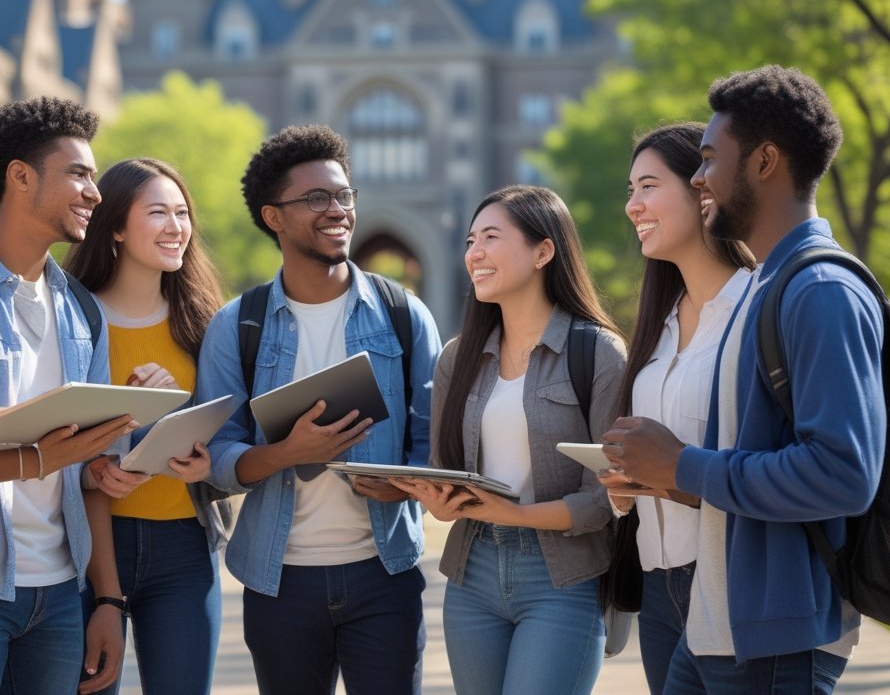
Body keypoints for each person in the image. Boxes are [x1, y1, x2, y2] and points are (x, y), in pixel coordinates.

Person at [603, 65, 886, 694]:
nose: (700, 177)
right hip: (717, 623)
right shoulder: (768, 286)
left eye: (708, 159)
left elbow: (843, 472)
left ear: (763, 161)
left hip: (779, 636)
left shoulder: (820, 290)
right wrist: (670, 477)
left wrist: (682, 465)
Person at [0, 97, 144, 695]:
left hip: (62, 594)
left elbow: (85, 475)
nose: (95, 192)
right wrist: (38, 457)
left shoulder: (83, 311)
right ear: (20, 177)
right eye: (79, 174)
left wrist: (108, 598)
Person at [195, 124, 442, 695]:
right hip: (278, 584)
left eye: (344, 195)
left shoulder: (403, 313)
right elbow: (216, 456)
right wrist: (287, 453)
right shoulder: (239, 325)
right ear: (273, 216)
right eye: (316, 199)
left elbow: (431, 442)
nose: (338, 210)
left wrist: (404, 483)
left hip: (385, 575)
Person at [391, 184, 627, 695]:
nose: (473, 252)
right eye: (471, 240)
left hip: (563, 577)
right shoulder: (458, 358)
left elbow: (605, 498)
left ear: (544, 251)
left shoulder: (600, 355)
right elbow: (445, 468)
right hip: (471, 572)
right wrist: (439, 501)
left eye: (491, 238)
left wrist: (516, 514)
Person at [63, 157, 228, 695]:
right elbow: (70, 452)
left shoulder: (206, 323)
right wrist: (106, 594)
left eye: (182, 213)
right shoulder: (71, 320)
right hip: (86, 547)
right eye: (158, 212)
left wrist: (208, 459)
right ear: (113, 225)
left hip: (185, 546)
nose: (176, 226)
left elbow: (227, 436)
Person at [600, 123, 753, 693]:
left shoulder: (756, 308)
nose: (631, 205)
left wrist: (674, 472)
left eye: (647, 186)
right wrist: (625, 488)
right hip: (658, 583)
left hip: (731, 575)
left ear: (702, 188)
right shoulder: (658, 328)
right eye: (630, 189)